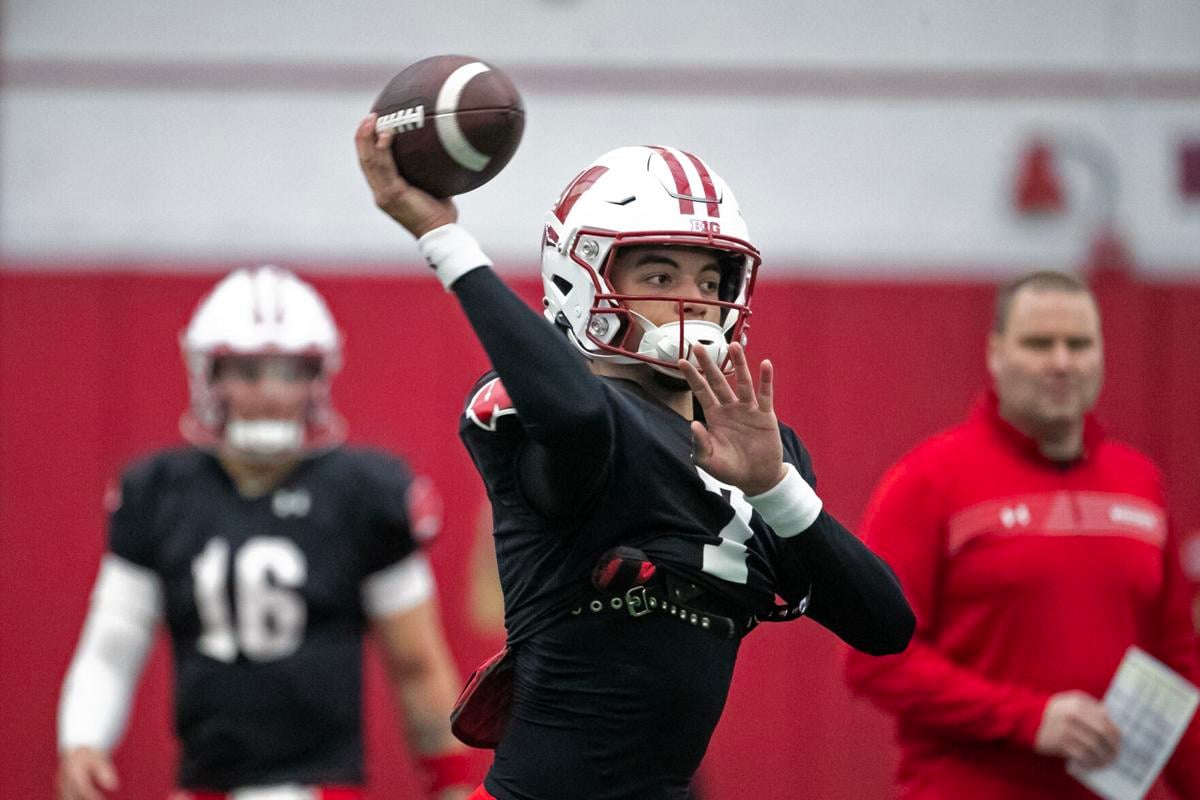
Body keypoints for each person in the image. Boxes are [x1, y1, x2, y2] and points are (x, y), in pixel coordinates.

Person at [356, 120, 915, 800]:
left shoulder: (762, 454)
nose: (695, 298)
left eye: (712, 278)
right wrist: (445, 240)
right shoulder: (559, 420)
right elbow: (583, 415)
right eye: (659, 272)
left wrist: (774, 488)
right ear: (580, 275)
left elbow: (886, 625)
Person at [56, 266, 473, 800]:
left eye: (291, 371)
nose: (272, 393)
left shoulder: (363, 494)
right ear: (210, 375)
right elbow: (112, 647)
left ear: (318, 377)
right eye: (249, 372)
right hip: (209, 784)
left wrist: (451, 781)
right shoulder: (157, 492)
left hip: (324, 785)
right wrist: (83, 740)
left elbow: (417, 665)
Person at [843, 271, 1200, 799]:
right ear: (995, 352)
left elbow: (1178, 662)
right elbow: (873, 659)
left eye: (1078, 344)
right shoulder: (927, 482)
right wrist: (1030, 719)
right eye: (1039, 343)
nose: (1061, 362)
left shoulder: (1139, 483)